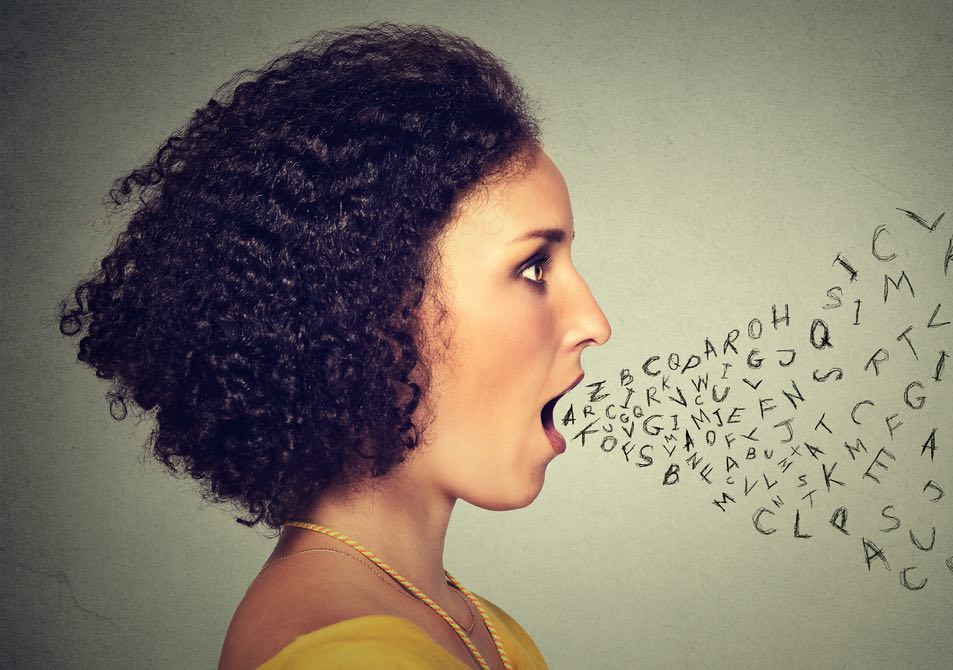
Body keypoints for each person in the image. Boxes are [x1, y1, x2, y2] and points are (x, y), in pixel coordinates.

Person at [58, 23, 610, 669]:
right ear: (371, 309)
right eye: (534, 268)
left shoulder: (472, 623)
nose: (595, 322)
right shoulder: (351, 656)